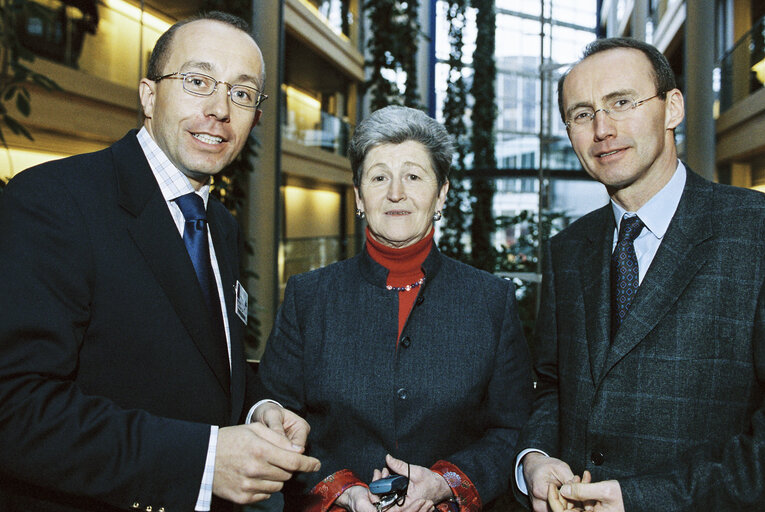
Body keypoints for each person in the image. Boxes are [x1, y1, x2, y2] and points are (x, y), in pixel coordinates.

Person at [0, 12, 320, 512]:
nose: (220, 109)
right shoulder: (53, 202)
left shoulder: (221, 224)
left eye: (241, 93)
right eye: (198, 81)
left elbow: (209, 361)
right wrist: (205, 461)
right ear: (148, 95)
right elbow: (15, 409)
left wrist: (262, 409)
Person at [513, 37, 765, 512]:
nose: (602, 129)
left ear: (672, 108)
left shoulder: (754, 232)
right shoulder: (568, 249)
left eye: (621, 103)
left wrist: (643, 499)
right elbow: (551, 384)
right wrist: (535, 459)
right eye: (582, 114)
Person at [257, 105, 533, 512]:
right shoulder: (308, 297)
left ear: (441, 194)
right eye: (380, 176)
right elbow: (276, 419)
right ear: (359, 196)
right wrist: (343, 491)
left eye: (414, 176)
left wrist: (445, 483)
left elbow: (512, 429)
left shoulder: (492, 300)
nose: (396, 193)